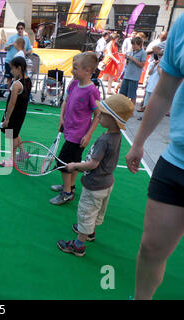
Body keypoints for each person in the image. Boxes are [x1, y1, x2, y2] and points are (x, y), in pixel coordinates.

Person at [125, 13, 184, 300]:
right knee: (150, 249)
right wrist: (139, 142)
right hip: (176, 160)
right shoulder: (182, 24)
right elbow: (163, 93)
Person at [57, 94, 134, 256]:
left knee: (86, 212)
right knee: (97, 211)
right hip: (107, 183)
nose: (98, 115)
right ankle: (89, 232)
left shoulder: (104, 140)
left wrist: (75, 166)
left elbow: (93, 164)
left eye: (103, 114)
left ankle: (78, 245)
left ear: (113, 119)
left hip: (94, 184)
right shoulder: (116, 136)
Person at [50, 52, 101, 205]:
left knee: (64, 163)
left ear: (88, 70)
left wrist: (89, 135)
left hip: (79, 135)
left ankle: (66, 193)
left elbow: (98, 114)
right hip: (69, 130)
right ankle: (70, 187)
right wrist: (61, 117)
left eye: (75, 68)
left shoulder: (92, 91)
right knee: (73, 161)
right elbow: (65, 101)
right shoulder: (73, 83)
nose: (72, 71)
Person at [0, 56, 32, 167]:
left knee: (11, 136)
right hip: (21, 113)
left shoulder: (16, 84)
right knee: (15, 133)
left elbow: (12, 103)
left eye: (12, 69)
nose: (11, 71)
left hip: (13, 114)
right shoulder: (28, 80)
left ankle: (12, 160)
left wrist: (7, 119)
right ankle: (22, 153)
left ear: (19, 68)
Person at [3, 22, 32, 97]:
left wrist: (24, 52)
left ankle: (18, 92)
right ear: (16, 29)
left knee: (19, 77)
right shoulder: (12, 37)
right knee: (9, 77)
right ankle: (9, 91)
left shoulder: (26, 39)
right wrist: (11, 44)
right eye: (18, 28)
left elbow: (30, 50)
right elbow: (5, 48)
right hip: (10, 60)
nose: (20, 30)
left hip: (19, 62)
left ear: (24, 29)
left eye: (21, 28)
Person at [119, 36, 146, 108]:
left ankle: (130, 110)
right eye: (132, 44)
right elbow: (128, 63)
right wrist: (127, 59)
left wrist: (132, 59)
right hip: (127, 75)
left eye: (134, 44)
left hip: (134, 77)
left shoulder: (143, 53)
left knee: (132, 95)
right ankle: (121, 108)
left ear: (139, 44)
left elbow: (141, 65)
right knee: (122, 94)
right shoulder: (131, 51)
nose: (133, 46)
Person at [137, 49, 162, 116]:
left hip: (157, 86)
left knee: (154, 103)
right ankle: (144, 115)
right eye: (159, 55)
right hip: (150, 84)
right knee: (146, 102)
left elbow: (161, 75)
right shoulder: (152, 63)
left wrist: (159, 67)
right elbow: (149, 73)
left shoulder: (163, 65)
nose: (160, 57)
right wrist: (154, 65)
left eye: (161, 56)